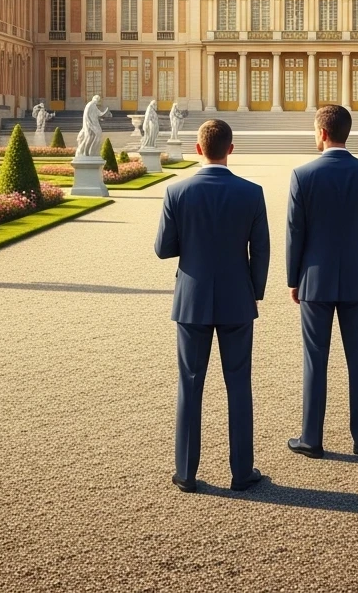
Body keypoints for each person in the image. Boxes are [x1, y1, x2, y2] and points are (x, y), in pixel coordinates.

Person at [154, 119, 269, 494]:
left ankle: (186, 473)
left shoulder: (177, 192)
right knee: (239, 385)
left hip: (191, 300)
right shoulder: (252, 192)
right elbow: (261, 251)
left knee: (189, 385)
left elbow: (162, 248)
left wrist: (191, 245)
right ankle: (241, 473)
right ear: (231, 149)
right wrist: (255, 291)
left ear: (197, 149)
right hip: (237, 299)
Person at [286, 105, 358, 458]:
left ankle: (311, 440)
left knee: (315, 359)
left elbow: (295, 232)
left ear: (323, 133)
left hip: (314, 280)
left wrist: (292, 279)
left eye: (315, 131)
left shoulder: (302, 174)